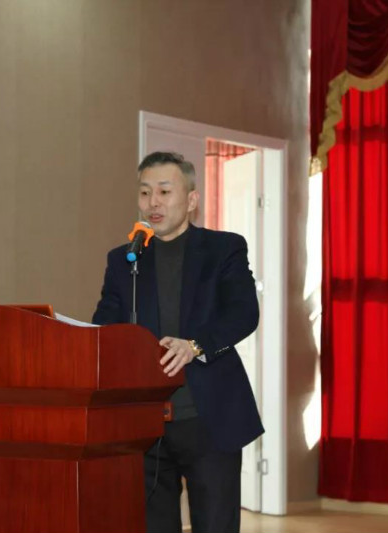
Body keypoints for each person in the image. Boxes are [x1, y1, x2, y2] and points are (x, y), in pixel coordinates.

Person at [92, 151, 264, 533]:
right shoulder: (125, 260)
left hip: (208, 417)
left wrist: (195, 345)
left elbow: (243, 314)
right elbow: (104, 325)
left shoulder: (224, 248)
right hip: (144, 422)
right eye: (145, 192)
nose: (153, 202)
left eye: (165, 191)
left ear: (191, 199)